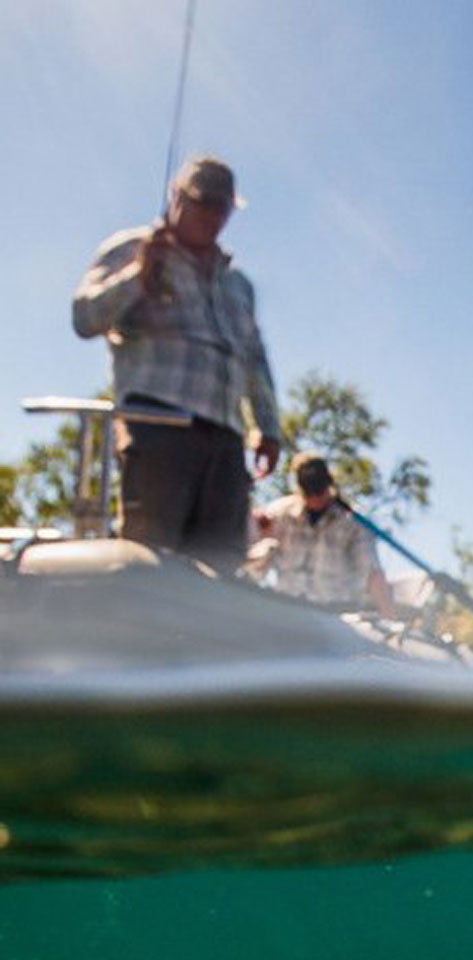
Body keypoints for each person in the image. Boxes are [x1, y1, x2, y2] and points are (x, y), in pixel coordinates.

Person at [71, 155, 281, 574]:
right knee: (152, 562)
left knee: (221, 568)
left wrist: (269, 427)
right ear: (177, 196)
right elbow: (85, 318)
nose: (212, 216)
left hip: (225, 439)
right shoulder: (133, 250)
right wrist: (138, 276)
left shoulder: (237, 283)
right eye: (202, 203)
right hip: (158, 425)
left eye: (222, 207)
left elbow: (255, 359)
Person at [251, 452, 398, 616]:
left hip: (333, 613)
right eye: (308, 492)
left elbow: (372, 572)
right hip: (286, 607)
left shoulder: (353, 523)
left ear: (329, 484)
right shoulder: (281, 512)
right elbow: (251, 537)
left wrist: (389, 614)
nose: (315, 499)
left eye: (319, 491)